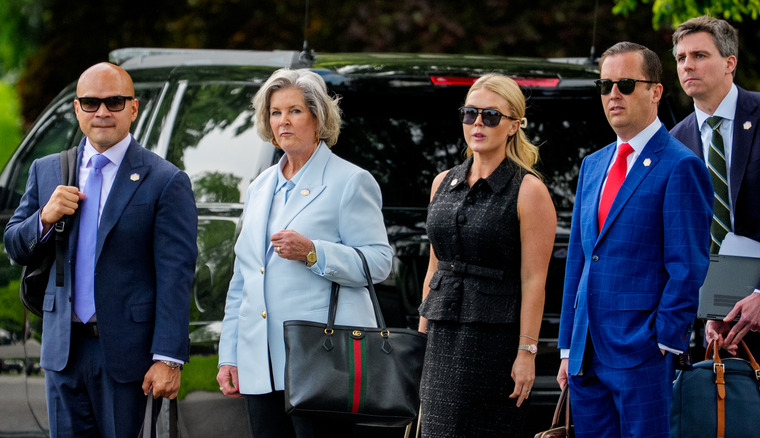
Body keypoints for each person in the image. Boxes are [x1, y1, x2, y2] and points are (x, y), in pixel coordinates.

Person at [4, 62, 198, 436]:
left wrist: (168, 358)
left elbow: (176, 274)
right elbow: (14, 245)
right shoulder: (47, 171)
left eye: (114, 102)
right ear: (77, 109)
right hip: (63, 351)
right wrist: (43, 218)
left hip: (129, 357)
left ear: (134, 108)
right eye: (91, 103)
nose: (103, 112)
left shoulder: (165, 180)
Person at [215, 68, 393, 438]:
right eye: (275, 112)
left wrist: (314, 253)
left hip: (323, 362)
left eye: (295, 111)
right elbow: (244, 277)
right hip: (261, 362)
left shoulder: (350, 181)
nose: (283, 121)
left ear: (318, 116)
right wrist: (229, 355)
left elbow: (378, 262)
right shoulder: (261, 185)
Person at [556, 42, 713, 437]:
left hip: (643, 353)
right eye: (605, 85)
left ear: (655, 91)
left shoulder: (681, 165)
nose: (613, 95)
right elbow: (579, 259)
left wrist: (664, 340)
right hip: (585, 356)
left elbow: (688, 265)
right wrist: (567, 347)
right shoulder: (593, 164)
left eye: (625, 84)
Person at [417, 73, 557, 437]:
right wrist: (421, 335)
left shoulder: (528, 190)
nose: (478, 123)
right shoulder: (443, 181)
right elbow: (435, 264)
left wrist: (527, 352)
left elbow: (534, 279)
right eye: (470, 113)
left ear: (513, 125)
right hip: (441, 333)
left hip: (494, 341)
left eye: (491, 116)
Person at [670, 16, 760, 373]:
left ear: (730, 63)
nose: (687, 65)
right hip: (717, 322)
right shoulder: (676, 141)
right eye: (681, 57)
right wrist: (709, 312)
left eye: (699, 55)